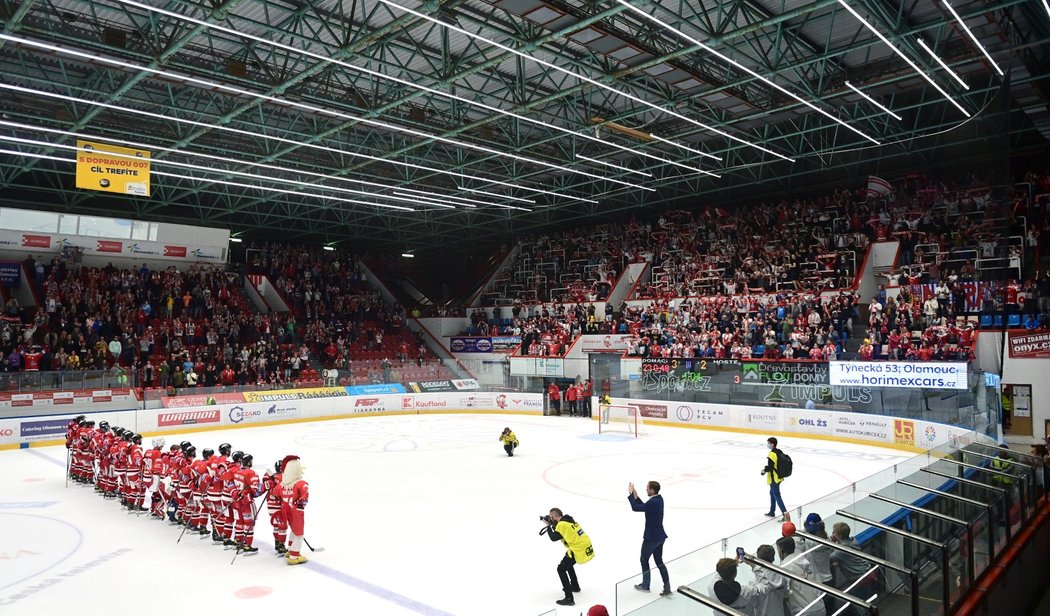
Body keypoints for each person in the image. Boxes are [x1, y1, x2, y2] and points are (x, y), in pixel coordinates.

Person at [541, 507, 594, 606]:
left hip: (577, 549)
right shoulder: (567, 520)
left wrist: (548, 526)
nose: (550, 519)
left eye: (551, 517)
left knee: (561, 569)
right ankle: (575, 586)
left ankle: (569, 597)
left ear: (555, 516)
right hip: (583, 545)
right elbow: (561, 532)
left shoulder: (561, 525)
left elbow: (553, 537)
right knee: (568, 564)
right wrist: (552, 524)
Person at [628, 481, 671, 596]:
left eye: (647, 488)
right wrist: (635, 496)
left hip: (651, 537)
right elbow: (645, 507)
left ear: (652, 490)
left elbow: (636, 508)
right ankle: (667, 587)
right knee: (659, 561)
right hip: (660, 536)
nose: (646, 490)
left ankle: (646, 585)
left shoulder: (654, 502)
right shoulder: (658, 499)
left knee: (644, 559)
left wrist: (631, 494)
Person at [776, 536, 827, 616]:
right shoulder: (804, 560)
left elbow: (784, 591)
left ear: (782, 552)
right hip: (820, 606)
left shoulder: (785, 567)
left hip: (804, 611)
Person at [829, 522, 874, 610]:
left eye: (834, 532)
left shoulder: (842, 550)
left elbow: (830, 557)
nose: (832, 534)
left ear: (839, 535)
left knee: (859, 604)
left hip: (861, 578)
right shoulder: (853, 541)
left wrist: (833, 543)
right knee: (864, 601)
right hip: (868, 573)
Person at [280, 455, 310, 565]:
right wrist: (298, 504)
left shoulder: (282, 485)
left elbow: (275, 493)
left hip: (286, 511)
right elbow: (305, 497)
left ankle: (290, 549)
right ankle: (294, 555)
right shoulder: (301, 484)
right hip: (296, 512)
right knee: (299, 533)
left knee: (293, 530)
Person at [751, 544, 788, 616]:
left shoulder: (754, 582)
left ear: (758, 558)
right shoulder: (782, 576)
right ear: (773, 558)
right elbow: (786, 595)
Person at [762, 437, 788, 521]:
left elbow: (770, 467)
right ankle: (772, 511)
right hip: (779, 477)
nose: (768, 444)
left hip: (774, 478)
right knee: (772, 492)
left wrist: (764, 470)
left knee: (776, 495)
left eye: (768, 443)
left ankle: (785, 514)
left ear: (772, 444)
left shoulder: (772, 454)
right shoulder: (779, 451)